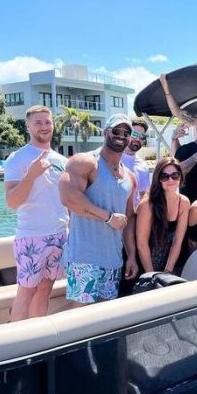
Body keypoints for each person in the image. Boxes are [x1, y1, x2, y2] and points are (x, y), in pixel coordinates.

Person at [59, 114, 138, 305]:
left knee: (103, 320)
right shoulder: (85, 162)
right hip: (83, 258)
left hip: (113, 261)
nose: (121, 135)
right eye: (116, 131)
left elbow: (128, 222)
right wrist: (108, 217)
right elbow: (68, 198)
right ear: (105, 132)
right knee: (81, 318)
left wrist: (132, 256)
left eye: (126, 132)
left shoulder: (130, 177)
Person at [4, 105, 69, 321]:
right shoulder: (18, 158)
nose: (44, 126)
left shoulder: (62, 161)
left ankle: (37, 338)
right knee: (27, 291)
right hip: (32, 236)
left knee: (45, 289)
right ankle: (16, 341)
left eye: (47, 122)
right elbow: (12, 201)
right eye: (38, 122)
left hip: (59, 234)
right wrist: (31, 176)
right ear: (28, 126)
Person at [136, 158, 191, 274]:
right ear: (158, 179)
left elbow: (177, 240)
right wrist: (151, 276)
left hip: (172, 264)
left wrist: (167, 272)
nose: (170, 179)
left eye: (175, 175)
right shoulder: (147, 204)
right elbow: (142, 244)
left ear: (180, 177)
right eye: (164, 176)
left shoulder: (184, 202)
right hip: (146, 265)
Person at [121, 117, 151, 208]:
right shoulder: (110, 158)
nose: (138, 139)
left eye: (142, 136)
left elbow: (143, 195)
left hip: (132, 218)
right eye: (134, 134)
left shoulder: (143, 166)